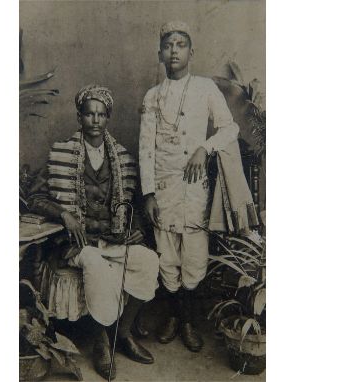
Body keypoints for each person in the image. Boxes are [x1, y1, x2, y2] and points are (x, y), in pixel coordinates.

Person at [29, 85, 159, 380]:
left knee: (148, 262)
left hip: (112, 238)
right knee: (96, 266)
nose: (95, 120)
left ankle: (122, 334)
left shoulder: (122, 158)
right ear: (80, 117)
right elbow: (35, 198)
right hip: (77, 243)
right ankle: (102, 341)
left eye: (101, 114)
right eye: (89, 114)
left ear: (108, 118)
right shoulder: (60, 152)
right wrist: (63, 214)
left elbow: (133, 204)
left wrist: (135, 229)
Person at [139, 21, 241, 352]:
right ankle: (173, 316)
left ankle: (188, 322)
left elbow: (230, 128)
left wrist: (204, 148)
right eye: (168, 45)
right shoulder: (153, 97)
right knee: (167, 257)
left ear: (191, 52)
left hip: (195, 188)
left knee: (195, 258)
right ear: (160, 54)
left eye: (180, 44)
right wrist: (149, 193)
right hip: (164, 189)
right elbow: (145, 149)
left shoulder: (205, 89)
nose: (174, 50)